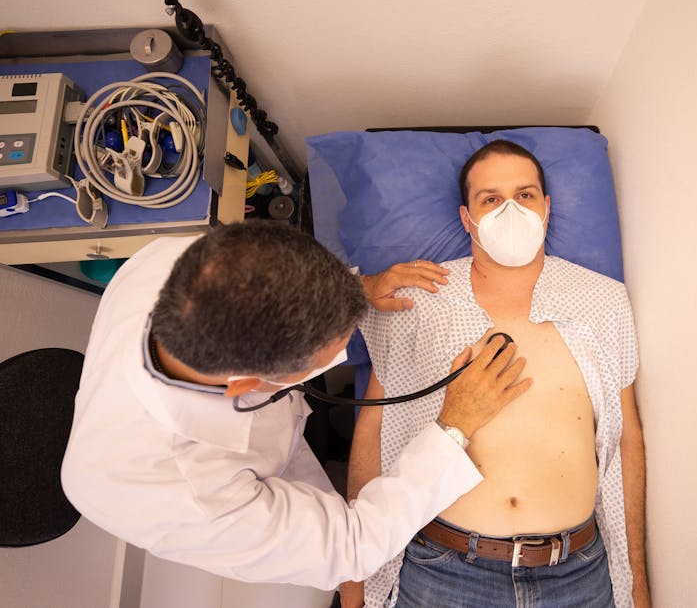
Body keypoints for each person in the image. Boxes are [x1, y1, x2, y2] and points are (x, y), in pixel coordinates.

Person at [61, 220, 531, 589]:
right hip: (197, 492)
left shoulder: (171, 258)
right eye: (332, 348)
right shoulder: (189, 495)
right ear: (248, 383)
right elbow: (352, 545)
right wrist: (454, 426)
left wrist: (355, 291)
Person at [342, 140, 650, 607]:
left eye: (525, 195)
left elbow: (627, 440)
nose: (511, 210)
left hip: (578, 575)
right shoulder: (418, 298)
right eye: (491, 199)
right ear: (467, 218)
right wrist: (354, 583)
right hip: (444, 571)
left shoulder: (603, 301)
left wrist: (637, 585)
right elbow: (374, 431)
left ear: (546, 208)